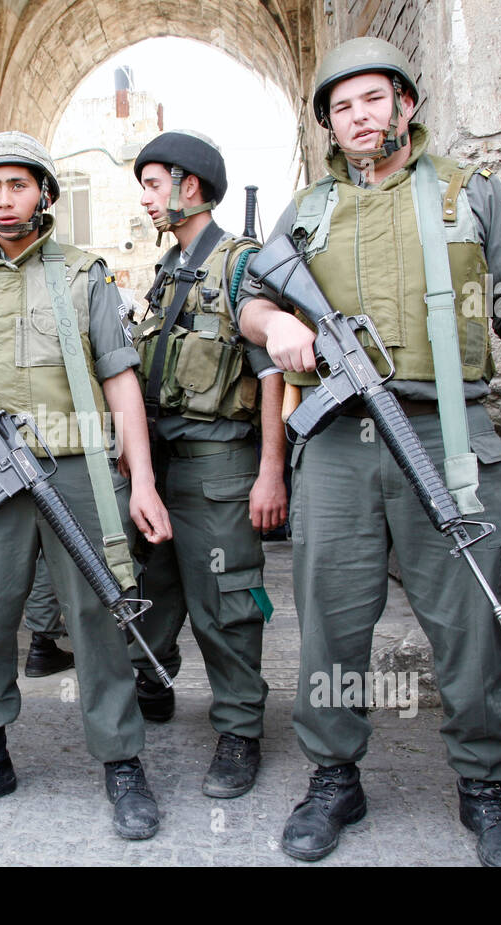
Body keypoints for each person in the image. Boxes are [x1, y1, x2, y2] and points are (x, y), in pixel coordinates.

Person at [239, 37, 501, 866]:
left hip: (447, 432)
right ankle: (333, 778)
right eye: (342, 107)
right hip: (339, 446)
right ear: (328, 124)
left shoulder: (470, 194)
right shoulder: (306, 211)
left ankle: (486, 787)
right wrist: (277, 324)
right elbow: (251, 304)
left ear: (405, 106)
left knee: (471, 627)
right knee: (330, 626)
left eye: (373, 99)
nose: (359, 117)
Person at [0, 131, 172, 839]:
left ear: (44, 193)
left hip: (79, 471)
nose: (4, 199)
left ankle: (121, 761)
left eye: (17, 185)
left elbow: (121, 381)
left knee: (98, 618)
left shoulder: (86, 275)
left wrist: (140, 482)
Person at [130, 130, 288, 799]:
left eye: (151, 183)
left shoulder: (238, 262)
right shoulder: (168, 272)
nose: (144, 198)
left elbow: (274, 369)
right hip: (162, 467)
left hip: (222, 467)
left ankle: (239, 729)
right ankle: (155, 678)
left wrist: (272, 472)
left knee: (226, 604)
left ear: (187, 186)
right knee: (153, 589)